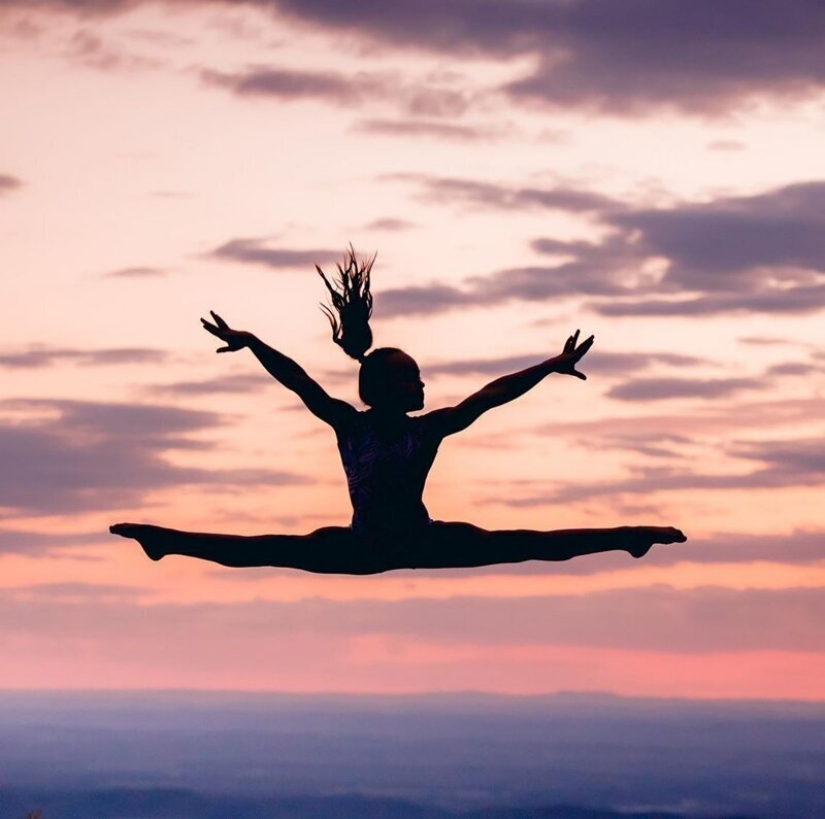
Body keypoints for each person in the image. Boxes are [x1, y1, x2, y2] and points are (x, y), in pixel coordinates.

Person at [111, 249, 686, 574]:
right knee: (263, 549)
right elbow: (298, 380)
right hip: (364, 545)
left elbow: (491, 395)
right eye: (412, 377)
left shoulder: (426, 430)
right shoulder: (349, 424)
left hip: (421, 540)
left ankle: (630, 536)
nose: (423, 384)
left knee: (530, 541)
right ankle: (166, 540)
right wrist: (253, 340)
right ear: (383, 388)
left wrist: (548, 366)